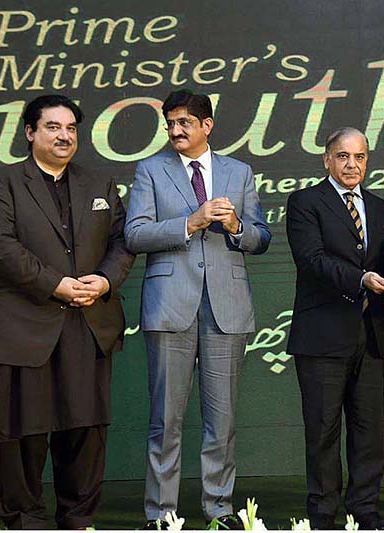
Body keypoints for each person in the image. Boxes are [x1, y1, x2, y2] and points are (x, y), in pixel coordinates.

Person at [0, 94, 134, 529]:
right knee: (20, 435)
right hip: (21, 328)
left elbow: (122, 242)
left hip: (88, 323)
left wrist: (103, 281)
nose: (64, 136)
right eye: (52, 127)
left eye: (71, 129)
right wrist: (56, 285)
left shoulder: (100, 184)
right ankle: (25, 521)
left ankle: (77, 520)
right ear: (30, 132)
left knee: (85, 432)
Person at [125, 89, 271, 529]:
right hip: (170, 305)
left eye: (184, 122)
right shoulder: (150, 170)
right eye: (169, 123)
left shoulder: (239, 171)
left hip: (226, 306)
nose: (175, 131)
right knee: (165, 419)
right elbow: (134, 234)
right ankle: (161, 513)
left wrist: (235, 225)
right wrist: (191, 221)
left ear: (207, 125)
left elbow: (261, 238)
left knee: (221, 420)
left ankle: (219, 508)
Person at [286, 127, 384, 530]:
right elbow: (311, 260)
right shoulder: (304, 202)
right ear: (327, 159)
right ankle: (322, 513)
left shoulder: (382, 208)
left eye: (360, 157)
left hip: (372, 334)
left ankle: (365, 509)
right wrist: (361, 279)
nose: (353, 165)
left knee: (370, 430)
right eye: (343, 156)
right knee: (323, 430)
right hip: (321, 336)